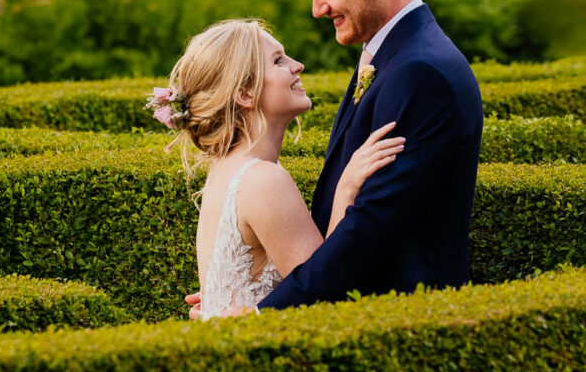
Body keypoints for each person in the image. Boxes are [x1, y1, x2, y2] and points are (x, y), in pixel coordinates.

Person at [183, 0, 483, 317]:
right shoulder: (391, 55)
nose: (317, 9)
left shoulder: (421, 72)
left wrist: (257, 313)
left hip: (398, 324)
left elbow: (369, 233)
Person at [154, 19, 404, 319]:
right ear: (244, 94)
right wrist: (347, 188)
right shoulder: (262, 180)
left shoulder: (228, 168)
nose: (297, 65)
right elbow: (326, 294)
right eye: (278, 61)